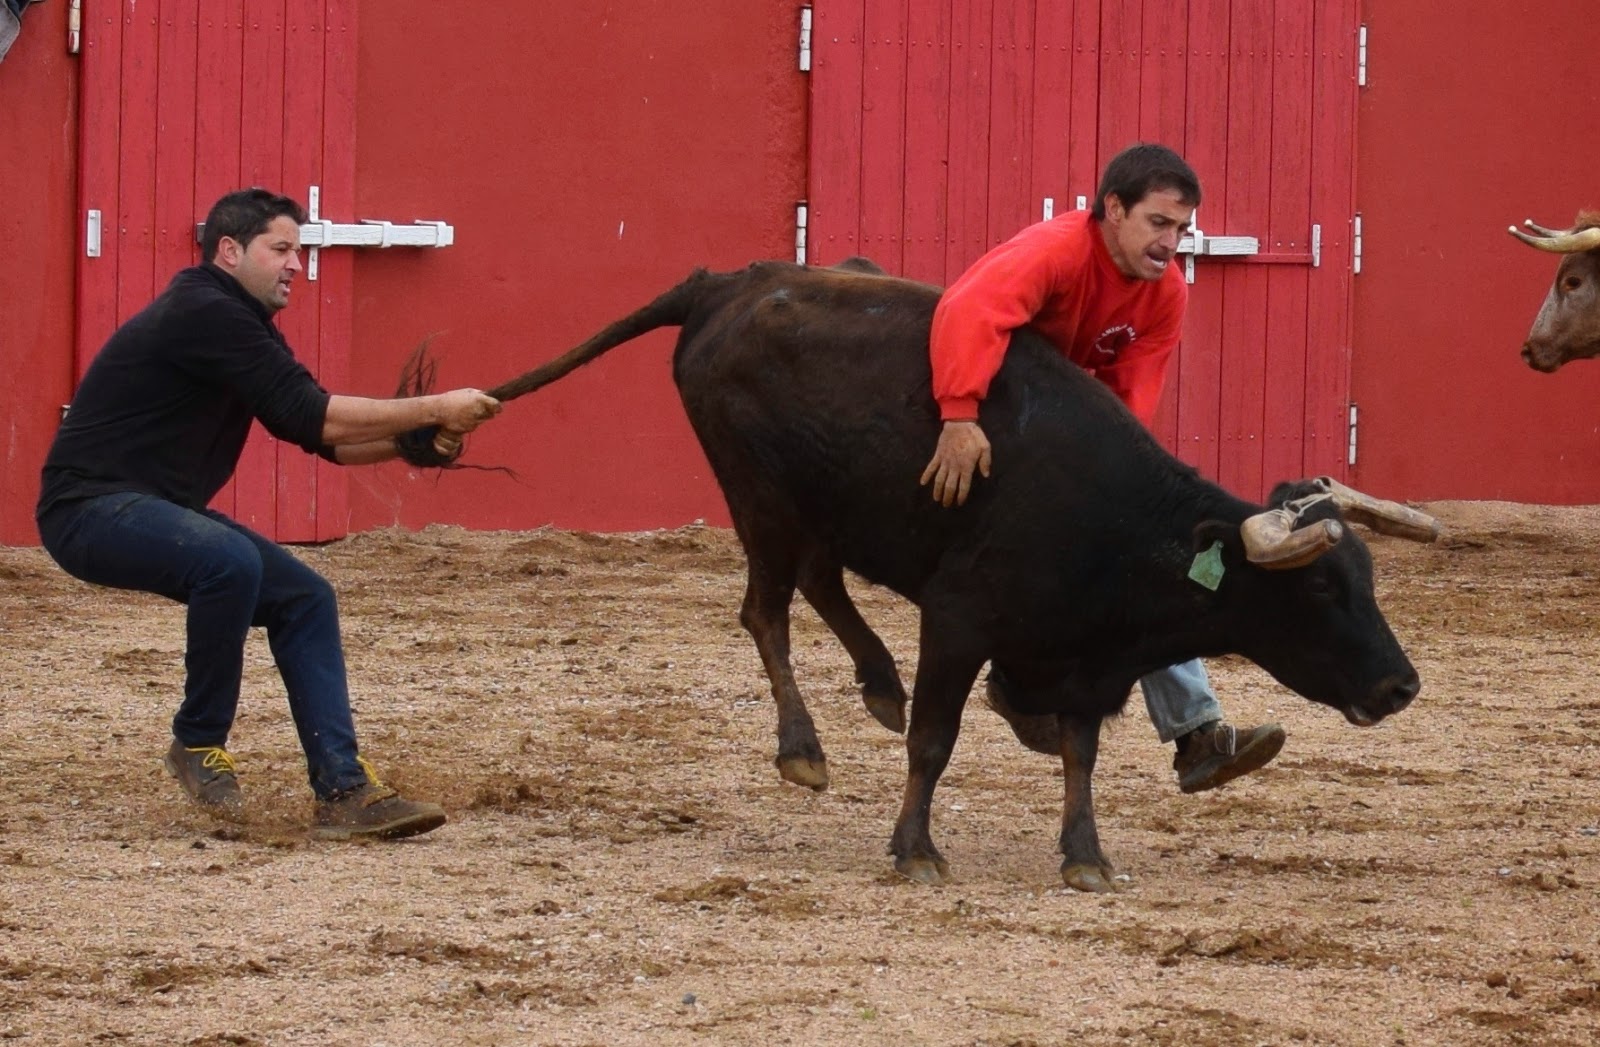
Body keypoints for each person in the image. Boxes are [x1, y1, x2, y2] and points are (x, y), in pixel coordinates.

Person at [35, 188, 501, 838]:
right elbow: (314, 415)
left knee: (305, 597)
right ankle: (198, 742)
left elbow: (320, 438)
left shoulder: (238, 321)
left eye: (298, 251)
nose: (295, 265)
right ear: (229, 250)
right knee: (228, 561)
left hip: (146, 506)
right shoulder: (205, 310)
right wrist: (434, 409)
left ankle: (344, 791)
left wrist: (412, 443)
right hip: (86, 510)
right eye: (281, 249)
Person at [918, 143, 1285, 794]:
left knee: (1145, 549)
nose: (1171, 243)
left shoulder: (1165, 292)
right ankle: (1021, 685)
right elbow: (966, 310)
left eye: (1181, 228)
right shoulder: (1057, 251)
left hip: (1055, 436)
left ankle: (1197, 734)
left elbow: (1129, 400)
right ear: (1113, 209)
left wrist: (1122, 484)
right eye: (1158, 222)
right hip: (985, 426)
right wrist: (959, 414)